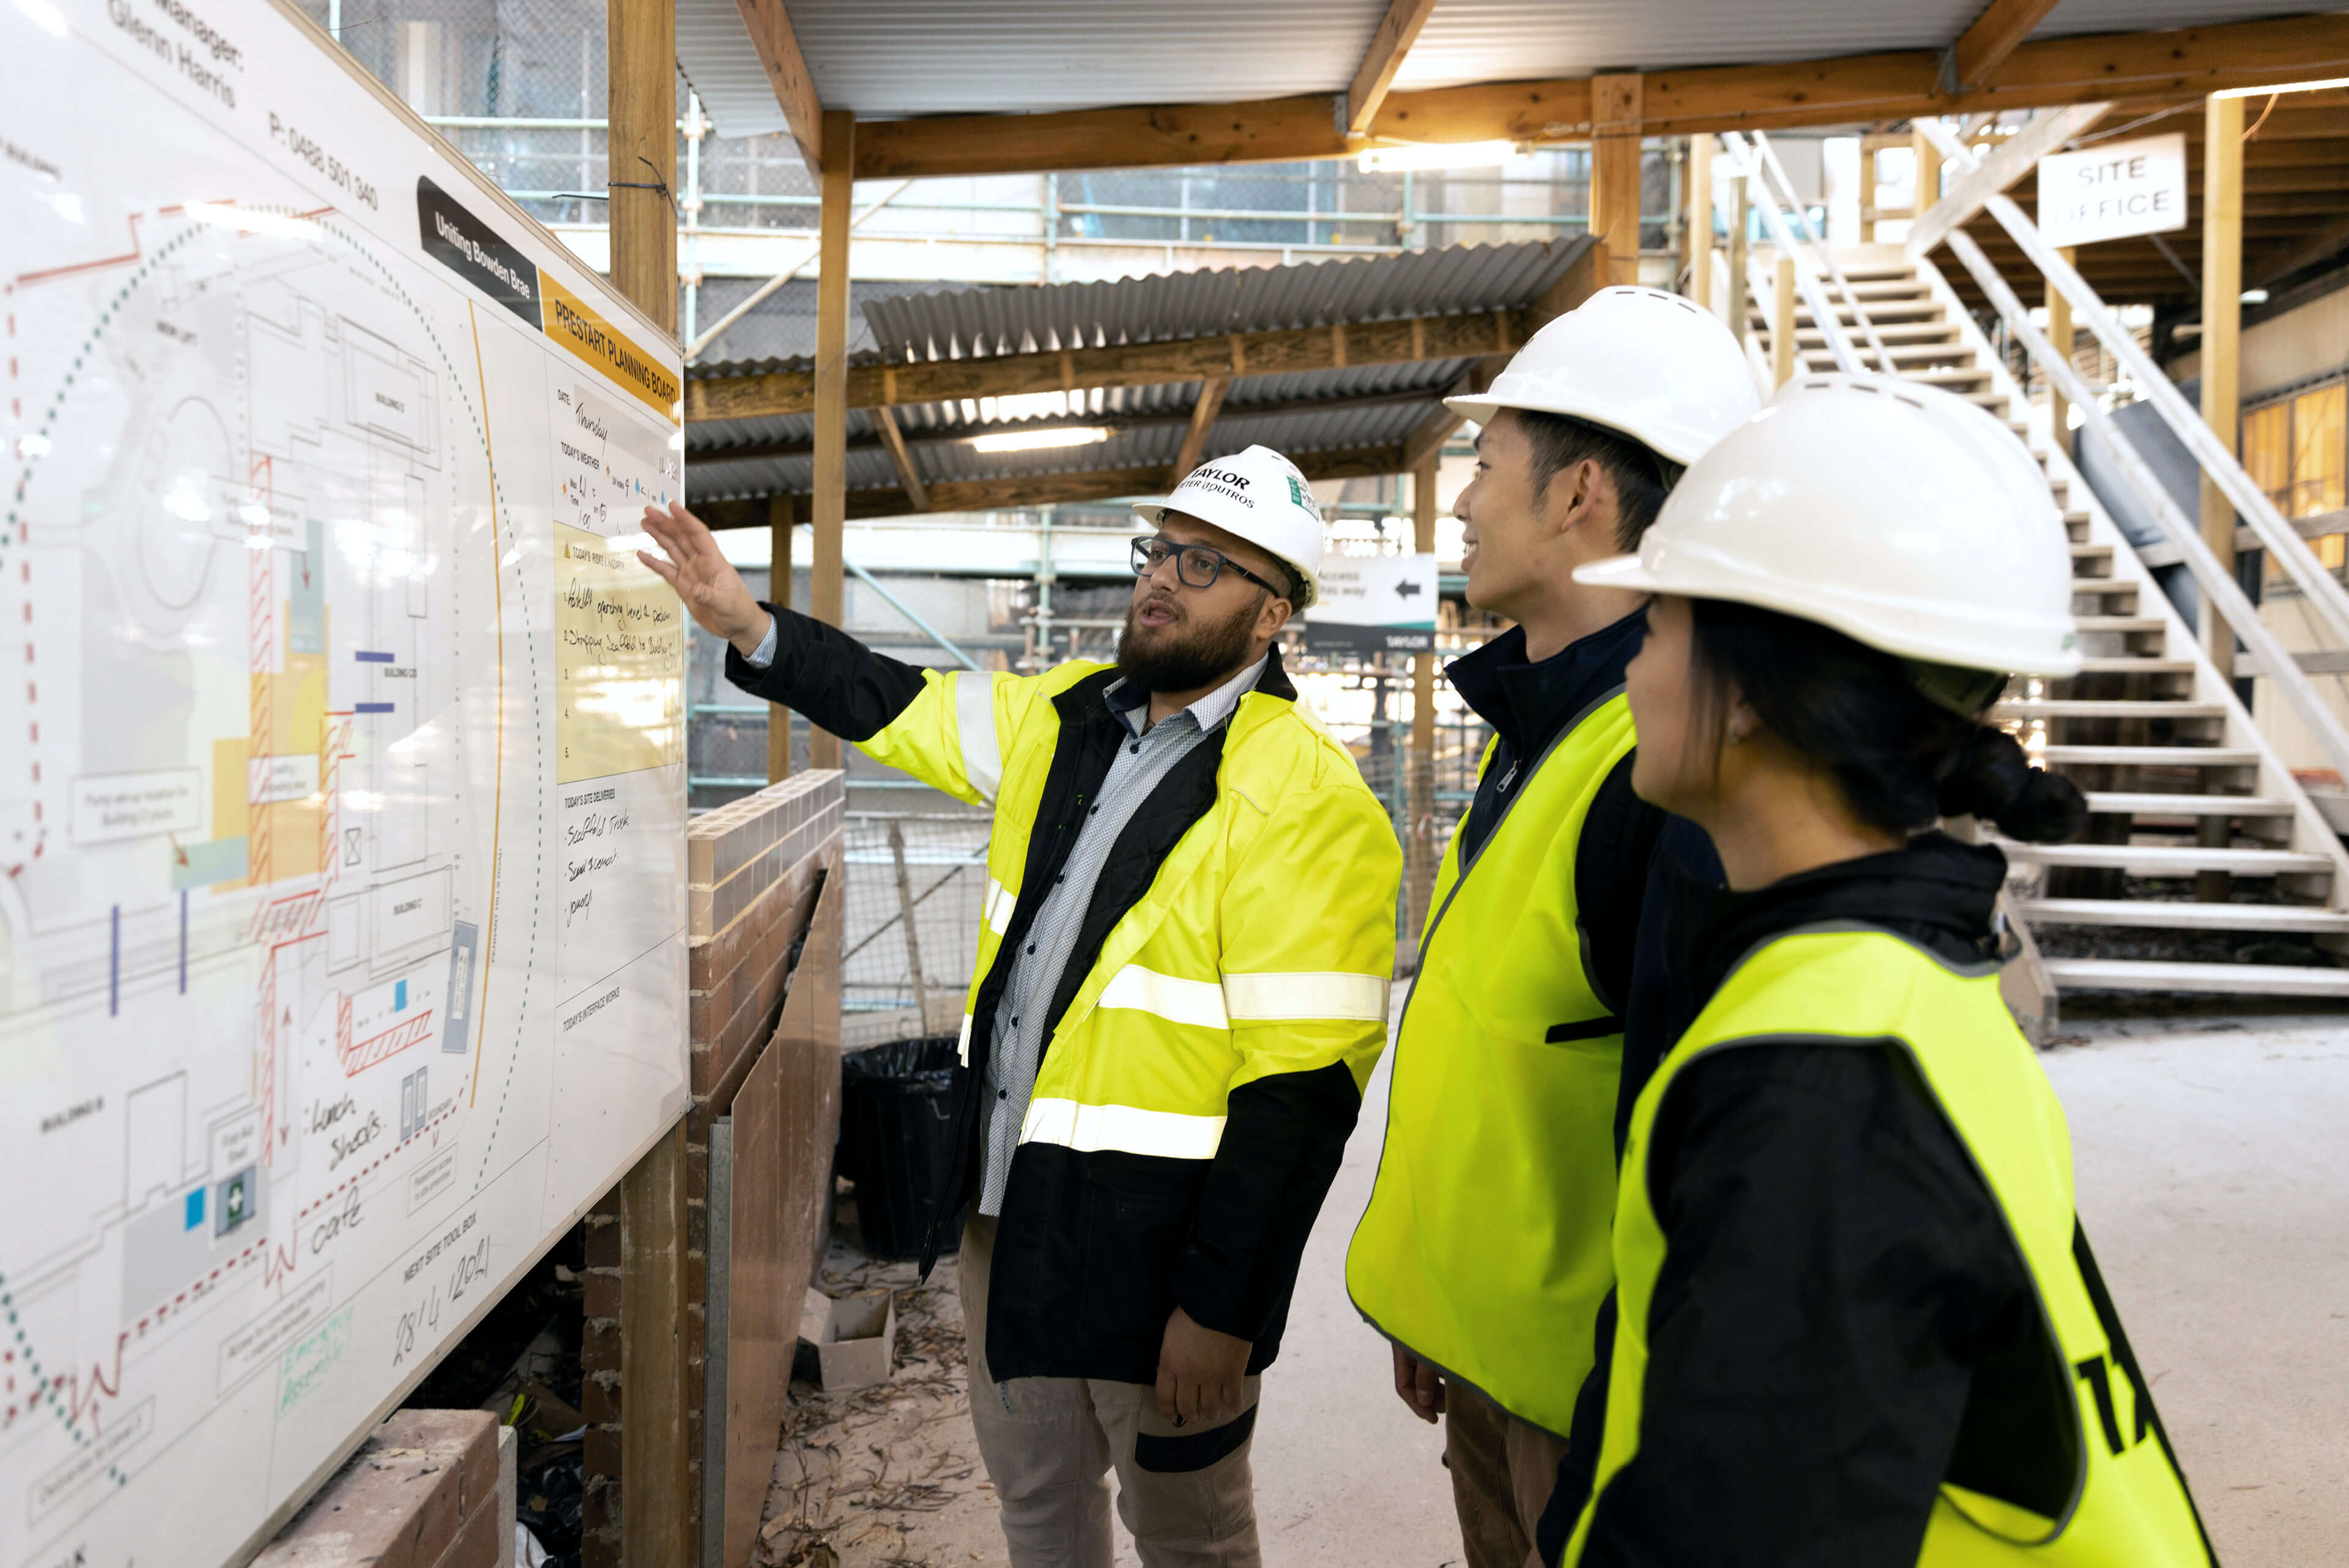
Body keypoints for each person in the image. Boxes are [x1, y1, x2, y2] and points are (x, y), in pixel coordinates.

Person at [636, 444, 1400, 1568]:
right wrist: (750, 625)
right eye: (1160, 551)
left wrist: (1224, 1309)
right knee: (1036, 1500)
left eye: (1204, 566)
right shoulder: (1064, 717)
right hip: (1012, 1207)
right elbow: (902, 706)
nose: (1164, 579)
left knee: (1187, 1532)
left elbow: (1303, 1096)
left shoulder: (1308, 799)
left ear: (1270, 612)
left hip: (1163, 1240)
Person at [1541, 374, 2217, 1566]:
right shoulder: (1895, 985)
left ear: (1745, 694)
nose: (1635, 672)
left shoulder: (1822, 1076)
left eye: (1656, 629)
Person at [1344, 286, 1757, 1568]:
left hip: (1597, 1407)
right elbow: (1518, 1039)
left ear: (1580, 493)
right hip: (1503, 1365)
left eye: (1484, 463)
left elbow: (1705, 1148)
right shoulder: (1550, 734)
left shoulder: (1665, 772)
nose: (1461, 500)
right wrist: (1444, 1302)